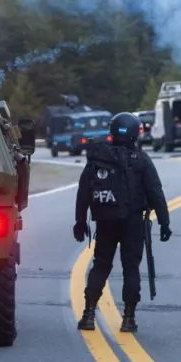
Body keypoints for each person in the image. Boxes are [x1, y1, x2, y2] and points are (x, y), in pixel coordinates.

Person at [75, 112, 171, 333]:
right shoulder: (141, 160)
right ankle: (128, 318)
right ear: (135, 133)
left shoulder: (98, 158)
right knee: (131, 269)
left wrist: (80, 222)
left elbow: (83, 193)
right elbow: (156, 193)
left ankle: (88, 315)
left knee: (101, 265)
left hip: (105, 221)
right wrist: (164, 222)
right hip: (133, 222)